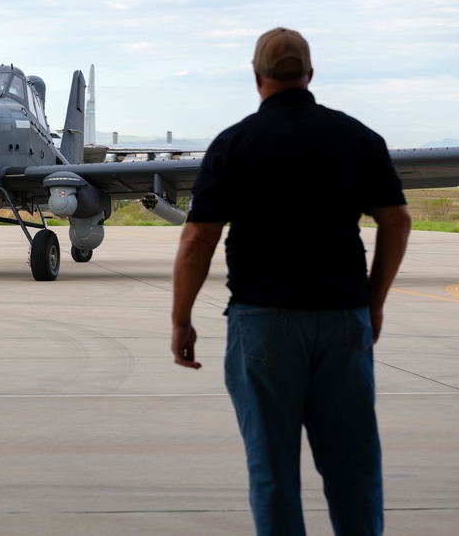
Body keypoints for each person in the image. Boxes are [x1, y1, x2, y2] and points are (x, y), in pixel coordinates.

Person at [170, 27, 411, 535]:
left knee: (273, 472)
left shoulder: (234, 143)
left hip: (263, 321)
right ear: (309, 75)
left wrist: (182, 319)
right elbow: (396, 220)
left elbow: (197, 239)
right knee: (354, 469)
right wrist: (375, 302)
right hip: (345, 318)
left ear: (257, 77)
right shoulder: (357, 138)